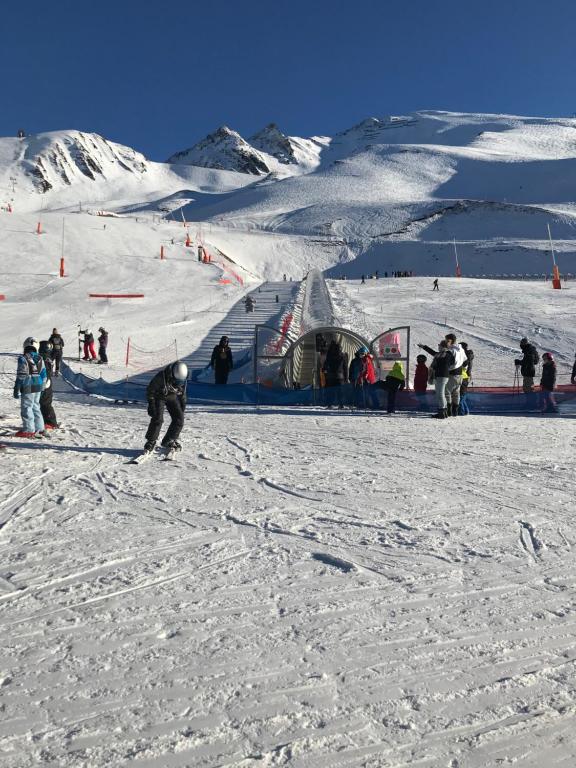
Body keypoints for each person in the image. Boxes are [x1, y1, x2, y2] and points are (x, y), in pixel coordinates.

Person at [144, 361, 188, 452]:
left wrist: (183, 403)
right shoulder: (161, 377)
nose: (177, 384)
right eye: (176, 382)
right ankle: (151, 441)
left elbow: (182, 393)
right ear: (172, 374)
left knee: (179, 418)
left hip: (172, 396)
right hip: (159, 396)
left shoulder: (182, 380)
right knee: (158, 418)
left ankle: (169, 440)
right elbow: (150, 390)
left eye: (179, 382)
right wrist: (151, 404)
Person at [13, 337, 47, 438]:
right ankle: (40, 428)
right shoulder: (40, 358)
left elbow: (21, 374)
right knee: (36, 406)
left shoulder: (23, 358)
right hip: (39, 385)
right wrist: (43, 387)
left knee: (27, 407)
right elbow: (44, 374)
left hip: (28, 384)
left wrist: (17, 387)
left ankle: (28, 429)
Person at [425, 340, 455, 419]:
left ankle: (442, 412)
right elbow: (433, 353)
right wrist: (424, 347)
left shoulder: (448, 354)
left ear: (443, 346)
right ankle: (444, 411)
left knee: (440, 394)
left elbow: (452, 363)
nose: (438, 347)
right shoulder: (439, 354)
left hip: (443, 375)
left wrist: (445, 368)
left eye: (439, 345)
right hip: (438, 375)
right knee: (439, 393)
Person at [444, 333, 468, 416]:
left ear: (450, 340)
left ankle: (449, 411)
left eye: (447, 340)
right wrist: (462, 368)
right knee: (456, 393)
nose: (446, 342)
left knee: (447, 393)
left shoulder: (452, 350)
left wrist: (448, 368)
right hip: (460, 374)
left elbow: (451, 363)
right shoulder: (461, 349)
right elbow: (465, 360)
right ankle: (455, 411)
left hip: (452, 374)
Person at [38, 340, 59, 429]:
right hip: (47, 380)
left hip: (45, 381)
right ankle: (45, 420)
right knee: (43, 402)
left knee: (45, 402)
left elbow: (45, 370)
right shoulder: (48, 357)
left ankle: (51, 422)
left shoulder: (43, 357)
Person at [323, 340, 348, 409]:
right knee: (340, 392)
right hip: (340, 377)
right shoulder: (342, 356)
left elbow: (325, 366)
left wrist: (325, 372)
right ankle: (341, 405)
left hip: (330, 377)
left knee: (330, 392)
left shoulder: (329, 356)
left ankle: (330, 405)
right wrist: (346, 378)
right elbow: (345, 368)